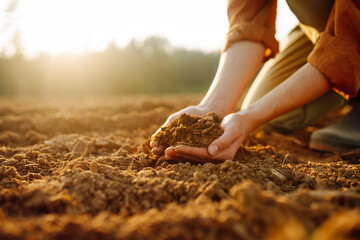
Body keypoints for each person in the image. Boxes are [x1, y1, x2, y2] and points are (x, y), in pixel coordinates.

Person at [151, 0, 360, 162]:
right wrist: (213, 107)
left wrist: (250, 117)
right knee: (264, 111)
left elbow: (350, 42)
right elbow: (249, 22)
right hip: (328, 27)